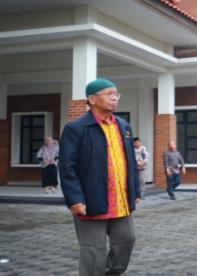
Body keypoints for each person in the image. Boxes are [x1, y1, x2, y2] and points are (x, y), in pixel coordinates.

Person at [59, 78, 141, 276]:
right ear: (92, 99)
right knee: (94, 252)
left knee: (126, 241)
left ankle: (110, 273)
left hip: (120, 200)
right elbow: (66, 167)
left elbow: (130, 161)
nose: (115, 98)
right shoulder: (76, 128)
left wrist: (135, 190)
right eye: (109, 94)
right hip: (91, 201)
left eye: (116, 94)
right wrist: (74, 199)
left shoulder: (124, 126)